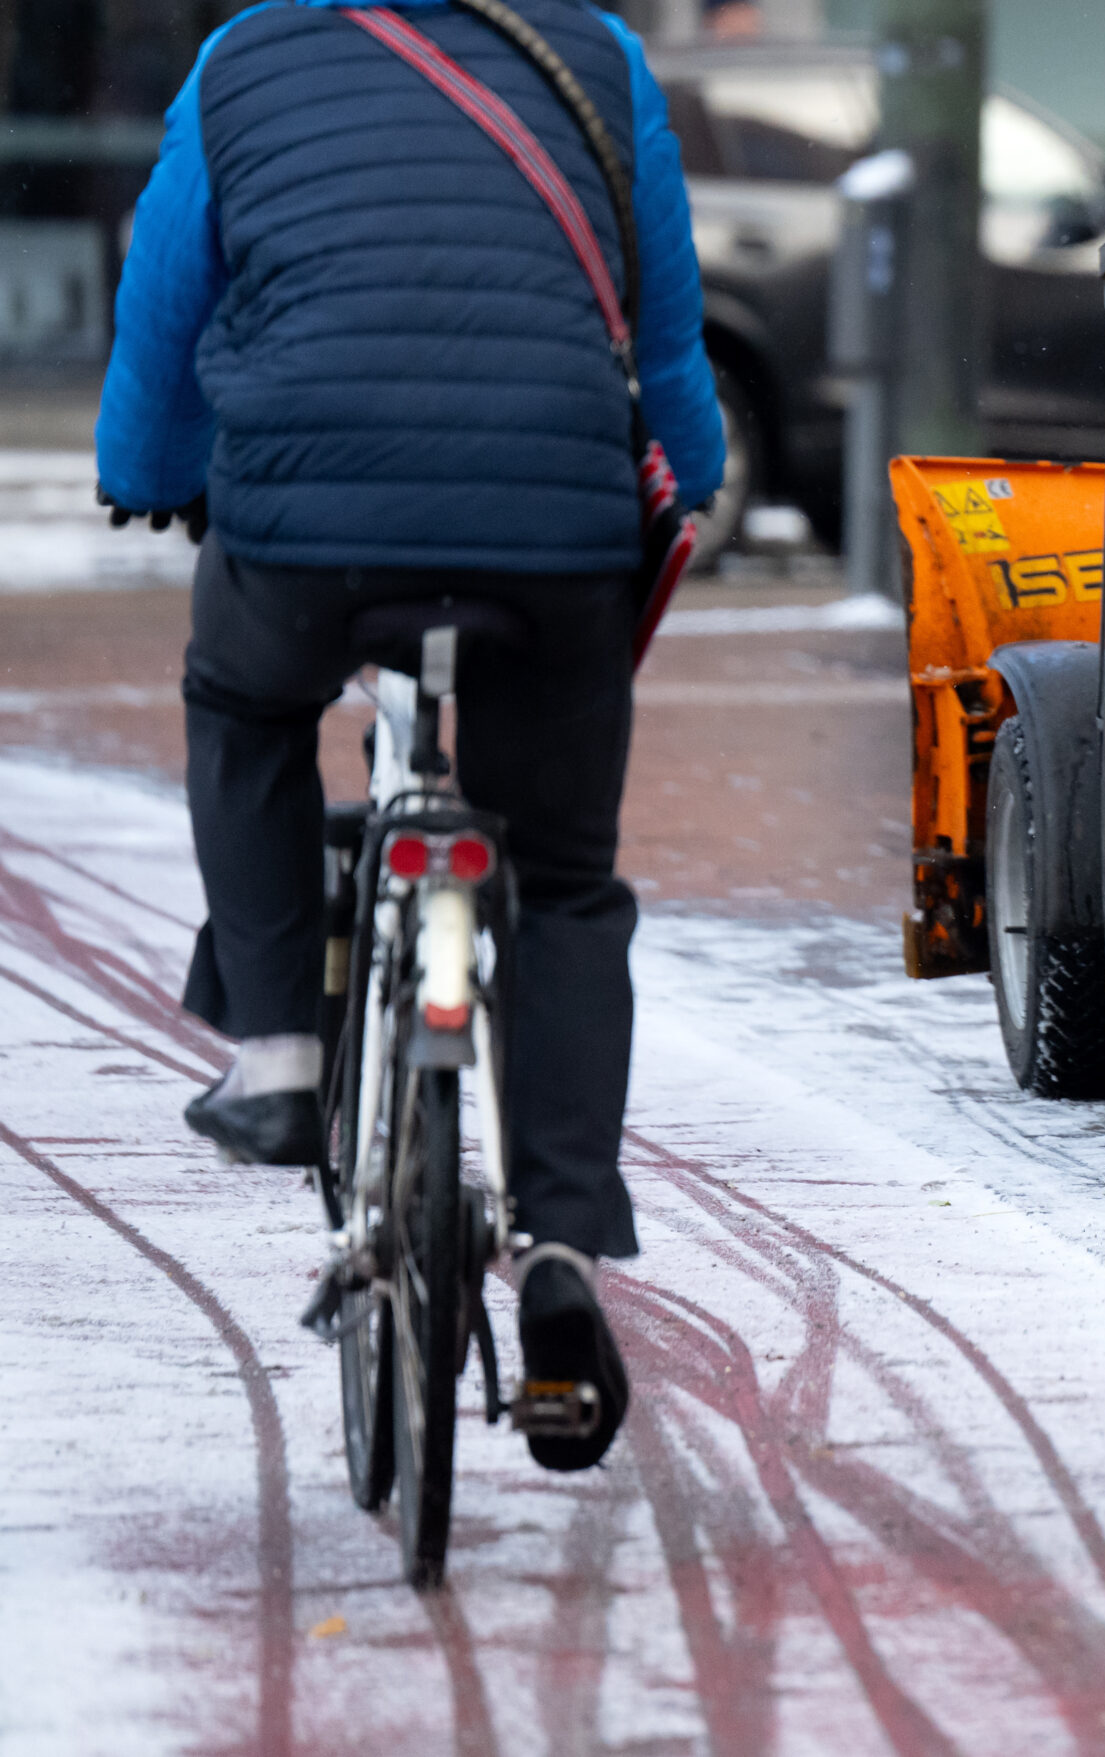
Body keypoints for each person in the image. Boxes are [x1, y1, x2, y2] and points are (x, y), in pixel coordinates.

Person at [94, 0, 725, 1470]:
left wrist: (144, 466)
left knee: (244, 705)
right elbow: (665, 326)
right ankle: (562, 1247)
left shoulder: (244, 56)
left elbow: (168, 297)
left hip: (310, 539)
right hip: (551, 543)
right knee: (561, 879)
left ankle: (279, 1052)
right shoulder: (600, 61)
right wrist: (678, 480)